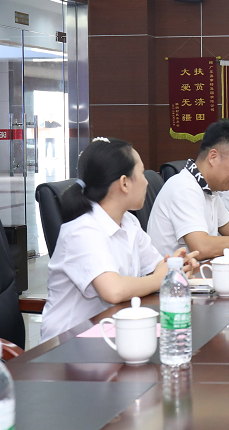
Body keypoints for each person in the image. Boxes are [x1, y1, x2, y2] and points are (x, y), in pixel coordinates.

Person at [41, 137, 198, 341]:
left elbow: (156, 267)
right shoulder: (82, 230)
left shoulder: (128, 222)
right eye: (142, 173)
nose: (147, 181)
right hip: (70, 343)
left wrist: (175, 267)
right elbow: (113, 291)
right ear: (124, 183)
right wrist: (159, 279)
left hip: (112, 331)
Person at [147, 120, 229, 260]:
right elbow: (202, 248)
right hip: (176, 273)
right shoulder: (185, 188)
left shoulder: (208, 188)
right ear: (213, 157)